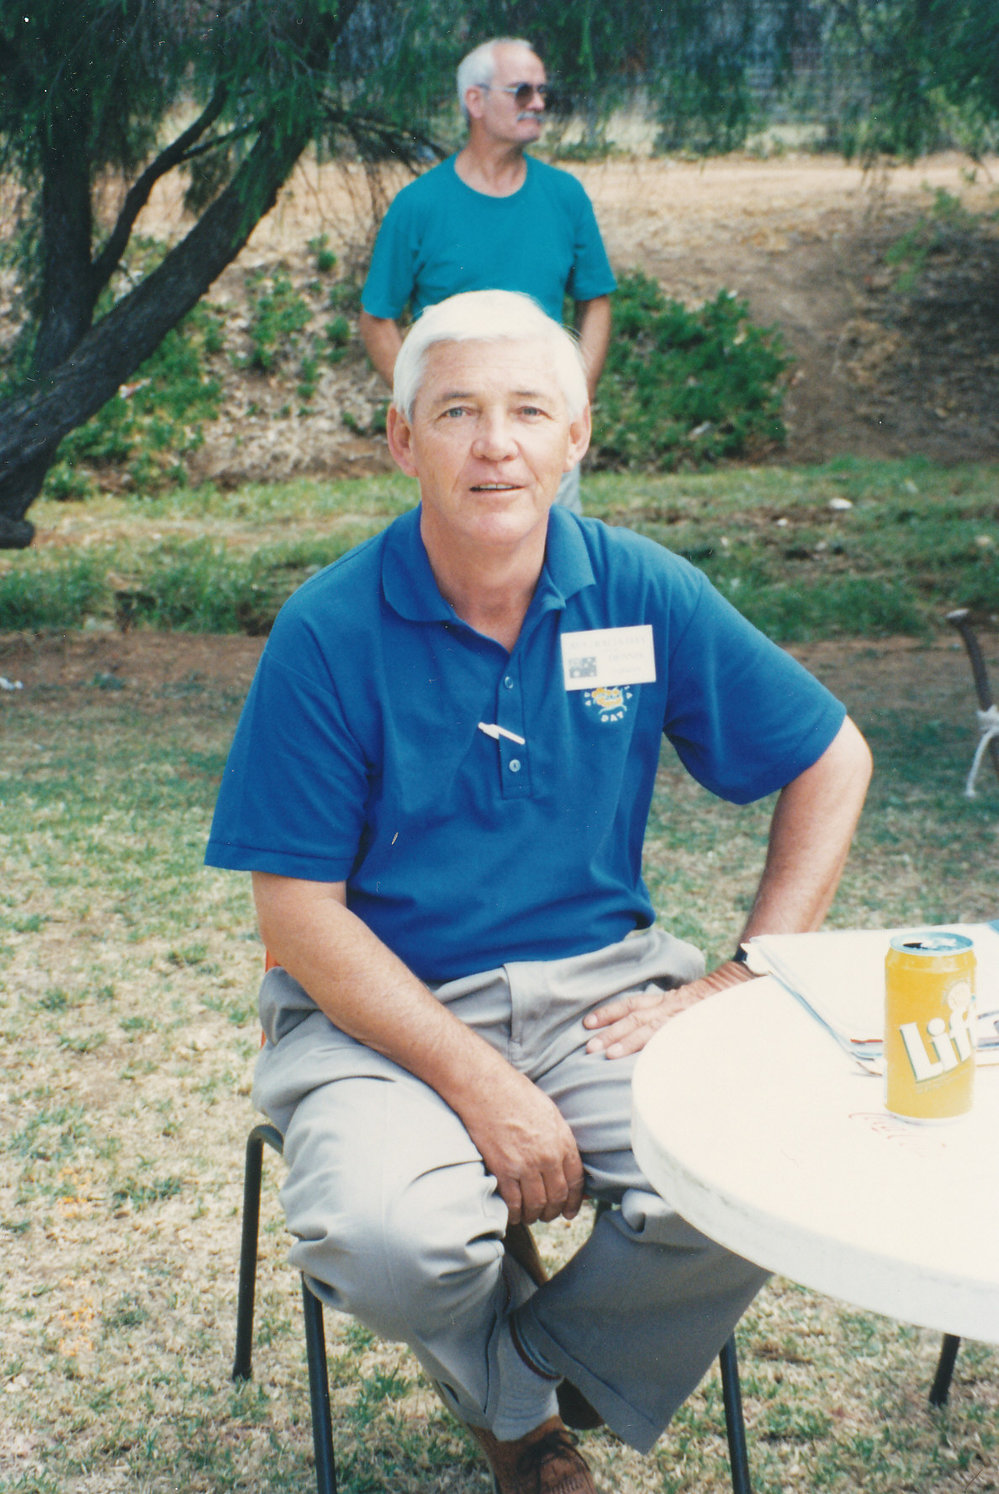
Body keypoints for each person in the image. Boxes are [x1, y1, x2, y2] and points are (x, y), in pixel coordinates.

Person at [206, 290, 872, 1494]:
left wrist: (743, 975)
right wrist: (482, 1085)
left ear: (578, 436)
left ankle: (526, 1381)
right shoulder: (325, 631)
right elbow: (297, 913)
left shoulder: (642, 590)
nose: (494, 443)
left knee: (773, 1162)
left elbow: (833, 758)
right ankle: (525, 1429)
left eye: (527, 410)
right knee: (390, 1244)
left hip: (601, 994)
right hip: (382, 1016)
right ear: (404, 441)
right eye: (456, 411)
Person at [359, 35, 616, 514]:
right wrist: (426, 404)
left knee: (557, 560)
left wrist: (574, 395)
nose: (538, 104)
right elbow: (376, 318)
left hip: (541, 431)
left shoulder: (565, 197)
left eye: (543, 93)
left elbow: (596, 300)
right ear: (474, 100)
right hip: (459, 441)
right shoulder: (419, 205)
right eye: (522, 92)